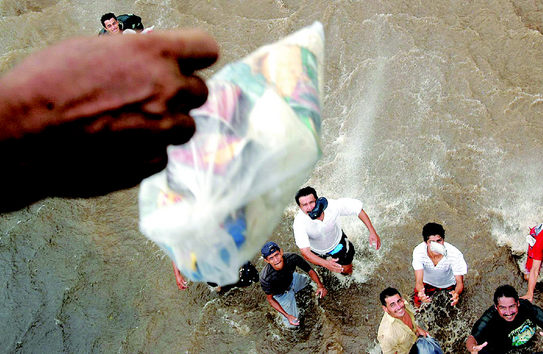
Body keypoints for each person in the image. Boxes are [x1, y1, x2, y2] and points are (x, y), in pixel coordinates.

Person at [0, 29, 218, 212]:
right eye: (109, 25)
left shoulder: (131, 35)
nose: (113, 26)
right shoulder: (106, 42)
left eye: (115, 23)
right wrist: (25, 116)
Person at [292, 186, 381, 275]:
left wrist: (372, 232)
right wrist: (326, 264)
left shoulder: (332, 206)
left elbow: (357, 209)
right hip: (317, 252)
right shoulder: (299, 223)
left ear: (317, 200)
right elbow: (305, 252)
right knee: (324, 269)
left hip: (337, 243)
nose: (310, 207)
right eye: (305, 205)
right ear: (300, 207)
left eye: (311, 202)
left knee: (346, 271)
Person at [466, 284, 543, 353]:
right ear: (496, 307)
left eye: (512, 306)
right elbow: (472, 338)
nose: (509, 312)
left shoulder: (526, 307)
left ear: (518, 303)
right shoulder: (489, 318)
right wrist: (473, 349)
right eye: (503, 307)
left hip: (527, 345)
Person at [259, 241, 327, 328]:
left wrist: (320, 286)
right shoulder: (266, 278)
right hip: (282, 294)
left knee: (309, 283)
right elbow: (270, 299)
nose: (276, 260)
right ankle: (283, 315)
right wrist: (287, 316)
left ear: (281, 252)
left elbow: (309, 270)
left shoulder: (292, 258)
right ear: (266, 260)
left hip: (293, 280)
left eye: (277, 255)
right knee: (293, 325)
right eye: (271, 258)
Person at [412, 222, 467, 307]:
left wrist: (456, 293)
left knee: (456, 305)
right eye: (432, 242)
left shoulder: (454, 254)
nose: (436, 245)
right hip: (427, 283)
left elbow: (459, 282)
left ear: (443, 240)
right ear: (426, 243)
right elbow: (419, 281)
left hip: (448, 284)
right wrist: (421, 292)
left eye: (439, 241)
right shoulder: (419, 252)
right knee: (417, 303)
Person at [377, 287, 429, 354]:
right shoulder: (387, 335)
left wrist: (417, 329)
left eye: (399, 301)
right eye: (392, 305)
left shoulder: (404, 304)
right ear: (385, 309)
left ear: (401, 299)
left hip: (413, 340)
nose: (399, 307)